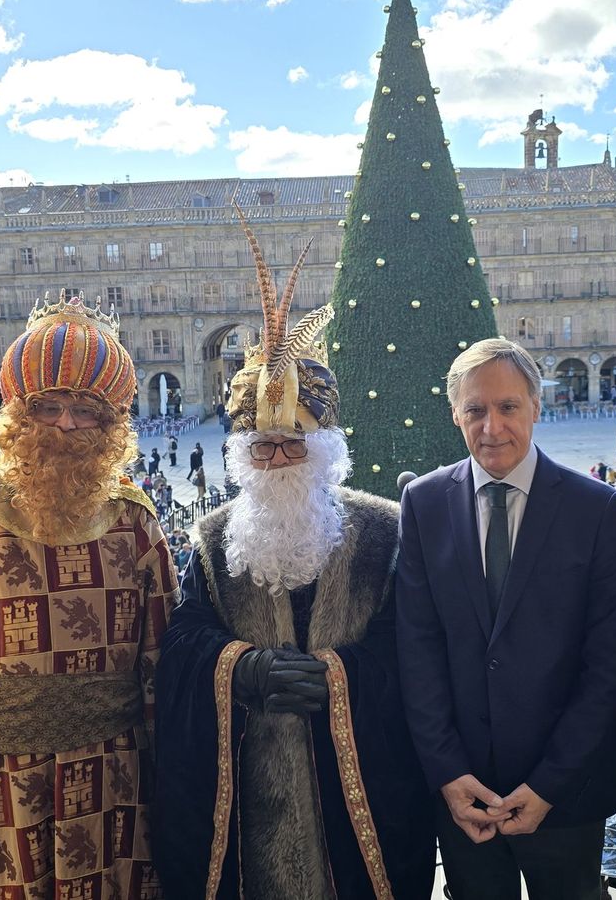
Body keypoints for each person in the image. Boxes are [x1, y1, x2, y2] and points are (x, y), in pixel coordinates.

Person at [153, 218, 434, 899]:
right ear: (242, 455)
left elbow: (413, 644)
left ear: (326, 449)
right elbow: (184, 639)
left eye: (294, 444)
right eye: (263, 447)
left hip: (357, 789)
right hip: (253, 788)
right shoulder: (213, 539)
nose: (278, 458)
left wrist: (339, 678)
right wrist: (241, 668)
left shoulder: (384, 530)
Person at [0, 292, 175, 900]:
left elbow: (162, 658)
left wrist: (169, 768)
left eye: (85, 410)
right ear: (19, 413)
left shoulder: (135, 523)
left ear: (111, 425)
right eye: (48, 406)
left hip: (114, 774)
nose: (65, 424)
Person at [396, 338, 616, 900]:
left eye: (508, 406)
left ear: (536, 406)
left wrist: (550, 782)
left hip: (566, 793)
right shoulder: (424, 504)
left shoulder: (596, 509)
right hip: (465, 794)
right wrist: (448, 774)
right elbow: (416, 649)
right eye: (475, 409)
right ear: (455, 414)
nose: (492, 427)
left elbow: (608, 665)